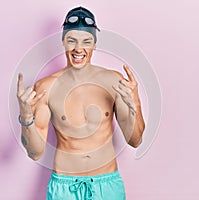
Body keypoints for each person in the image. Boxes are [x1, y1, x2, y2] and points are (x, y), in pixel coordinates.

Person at [17, 6, 145, 200]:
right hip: (64, 188)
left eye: (86, 41)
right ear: (63, 41)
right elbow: (35, 152)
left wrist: (134, 102)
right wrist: (26, 117)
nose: (78, 48)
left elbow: (135, 140)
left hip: (107, 186)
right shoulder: (46, 87)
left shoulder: (114, 82)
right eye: (71, 41)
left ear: (94, 43)